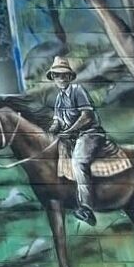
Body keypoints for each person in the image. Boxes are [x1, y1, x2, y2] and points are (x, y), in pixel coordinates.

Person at [47, 56, 105, 225]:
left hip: (89, 134)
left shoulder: (77, 90)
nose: (61, 78)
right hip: (71, 136)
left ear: (69, 77)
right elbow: (57, 121)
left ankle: (86, 207)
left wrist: (70, 131)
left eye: (64, 75)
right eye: (57, 75)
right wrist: (51, 130)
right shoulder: (59, 98)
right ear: (54, 78)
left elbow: (87, 116)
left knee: (78, 162)